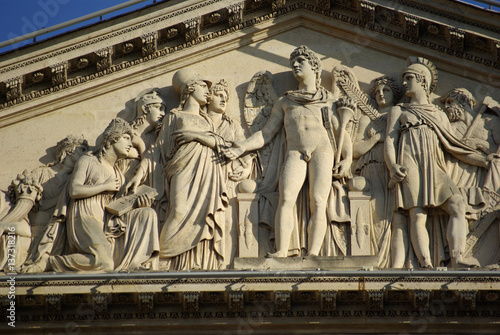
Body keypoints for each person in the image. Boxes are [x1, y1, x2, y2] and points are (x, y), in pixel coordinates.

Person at [223, 46, 353, 257]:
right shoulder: (285, 101)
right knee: (286, 197)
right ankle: (282, 250)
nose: (295, 65)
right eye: (293, 62)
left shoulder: (328, 100)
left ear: (315, 67)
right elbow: (266, 134)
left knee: (318, 201)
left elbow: (341, 133)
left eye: (301, 61)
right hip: (295, 151)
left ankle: (313, 253)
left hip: (323, 151)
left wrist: (347, 158)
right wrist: (243, 146)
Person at [384, 57, 489, 268]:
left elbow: (455, 147)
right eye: (404, 78)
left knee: (458, 206)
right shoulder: (399, 111)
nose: (404, 82)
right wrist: (392, 166)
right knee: (417, 214)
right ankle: (426, 265)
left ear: (423, 81)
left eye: (409, 78)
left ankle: (457, 258)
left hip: (435, 168)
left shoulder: (438, 115)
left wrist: (485, 161)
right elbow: (390, 139)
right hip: (409, 164)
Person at [128, 69, 229, 271]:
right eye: (203, 87)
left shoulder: (208, 120)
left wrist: (196, 136)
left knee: (203, 215)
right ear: (190, 89)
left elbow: (219, 143)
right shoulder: (174, 117)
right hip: (182, 167)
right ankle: (159, 257)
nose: (207, 92)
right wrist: (138, 175)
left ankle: (197, 262)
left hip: (208, 169)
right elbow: (156, 150)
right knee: (179, 211)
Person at [36, 118, 159, 272]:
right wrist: (105, 186)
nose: (130, 143)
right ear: (112, 139)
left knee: (147, 214)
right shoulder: (89, 160)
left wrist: (138, 203)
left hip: (105, 220)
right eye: (126, 138)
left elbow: (116, 207)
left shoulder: (117, 174)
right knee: (104, 263)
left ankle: (134, 264)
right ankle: (52, 262)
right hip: (85, 216)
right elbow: (74, 190)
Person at [0, 136, 88, 271]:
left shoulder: (76, 180)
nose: (87, 154)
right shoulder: (42, 173)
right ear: (70, 150)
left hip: (56, 232)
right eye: (82, 149)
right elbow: (25, 202)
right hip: (33, 225)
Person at [353, 76, 408, 268]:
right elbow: (355, 150)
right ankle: (376, 260)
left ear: (395, 94)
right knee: (376, 214)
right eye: (377, 92)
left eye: (386, 91)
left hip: (397, 169)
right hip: (373, 166)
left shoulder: (402, 114)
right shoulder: (367, 119)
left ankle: (396, 263)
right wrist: (375, 139)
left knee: (398, 216)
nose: (381, 95)